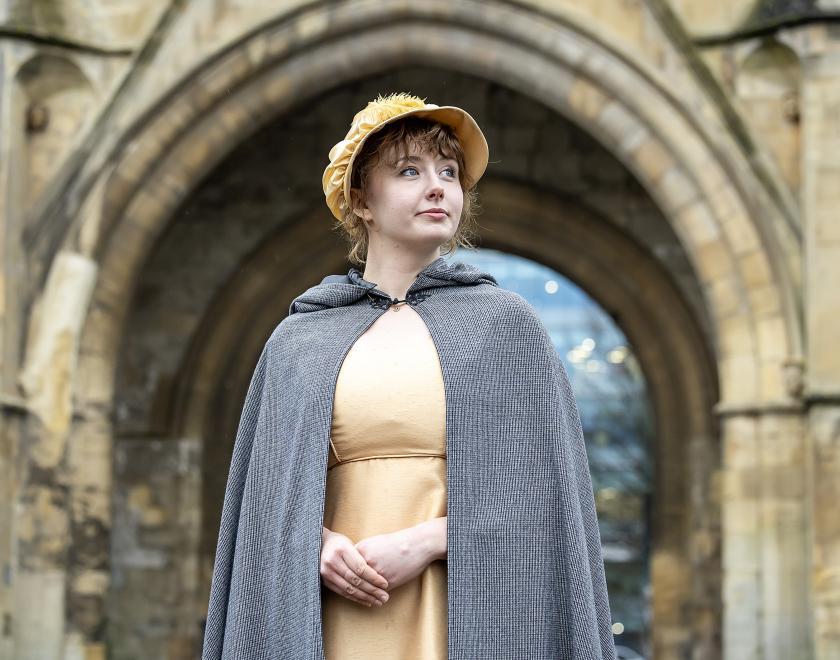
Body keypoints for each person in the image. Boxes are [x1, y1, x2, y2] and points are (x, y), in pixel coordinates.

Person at [201, 92, 616, 660]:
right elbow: (262, 510)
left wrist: (427, 542)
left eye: (449, 172)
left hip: (467, 609)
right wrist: (313, 546)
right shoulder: (298, 341)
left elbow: (548, 506)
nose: (438, 186)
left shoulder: (505, 325)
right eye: (409, 171)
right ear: (361, 201)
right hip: (333, 611)